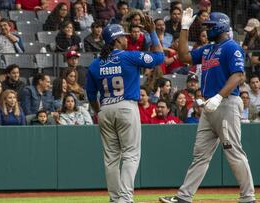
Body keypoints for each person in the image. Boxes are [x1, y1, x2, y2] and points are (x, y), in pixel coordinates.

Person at [159, 9, 256, 203]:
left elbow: (238, 76)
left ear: (220, 26)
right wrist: (184, 28)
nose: (207, 28)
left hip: (226, 103)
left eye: (210, 26)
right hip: (210, 106)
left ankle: (248, 197)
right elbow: (184, 56)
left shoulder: (231, 47)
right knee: (200, 155)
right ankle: (184, 197)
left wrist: (219, 97)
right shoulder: (208, 49)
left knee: (233, 151)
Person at [86, 17, 164, 203]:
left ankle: (115, 199)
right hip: (126, 107)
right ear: (116, 39)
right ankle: (125, 198)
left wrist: (100, 112)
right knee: (130, 154)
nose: (126, 38)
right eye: (123, 36)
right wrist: (153, 33)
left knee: (111, 158)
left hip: (105, 108)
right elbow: (159, 58)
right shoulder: (129, 56)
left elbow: (90, 95)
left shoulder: (96, 64)